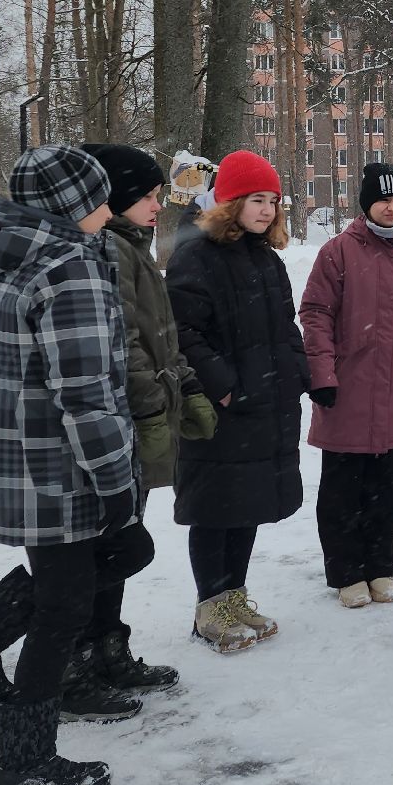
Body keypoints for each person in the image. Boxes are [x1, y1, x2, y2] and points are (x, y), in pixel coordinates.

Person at [0, 143, 145, 785]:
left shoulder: (25, 262)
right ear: (74, 205)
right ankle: (23, 764)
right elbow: (84, 392)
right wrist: (114, 481)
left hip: (27, 464)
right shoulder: (67, 271)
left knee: (71, 589)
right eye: (99, 195)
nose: (109, 206)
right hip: (62, 472)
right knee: (64, 607)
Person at [76, 144, 218, 700]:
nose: (159, 204)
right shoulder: (108, 252)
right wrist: (152, 405)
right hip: (121, 421)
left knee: (118, 538)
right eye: (150, 195)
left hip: (140, 413)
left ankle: (109, 647)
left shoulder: (131, 246)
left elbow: (162, 335)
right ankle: (79, 657)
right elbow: (127, 344)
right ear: (115, 196)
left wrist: (184, 383)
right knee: (104, 544)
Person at [166, 150, 308, 652]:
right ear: (229, 201)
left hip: (265, 402)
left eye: (273, 200)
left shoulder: (266, 259)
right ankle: (211, 604)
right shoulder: (196, 255)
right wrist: (224, 384)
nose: (268, 210)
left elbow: (285, 326)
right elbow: (184, 331)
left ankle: (234, 596)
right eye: (256, 199)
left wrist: (296, 369)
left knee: (246, 504)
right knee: (215, 508)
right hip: (223, 410)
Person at [299, 162, 393, 609]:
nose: (392, 207)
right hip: (347, 389)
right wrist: (322, 375)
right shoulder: (338, 252)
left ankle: (382, 568)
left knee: (389, 489)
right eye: (384, 199)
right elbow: (316, 314)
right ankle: (347, 572)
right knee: (343, 490)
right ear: (367, 203)